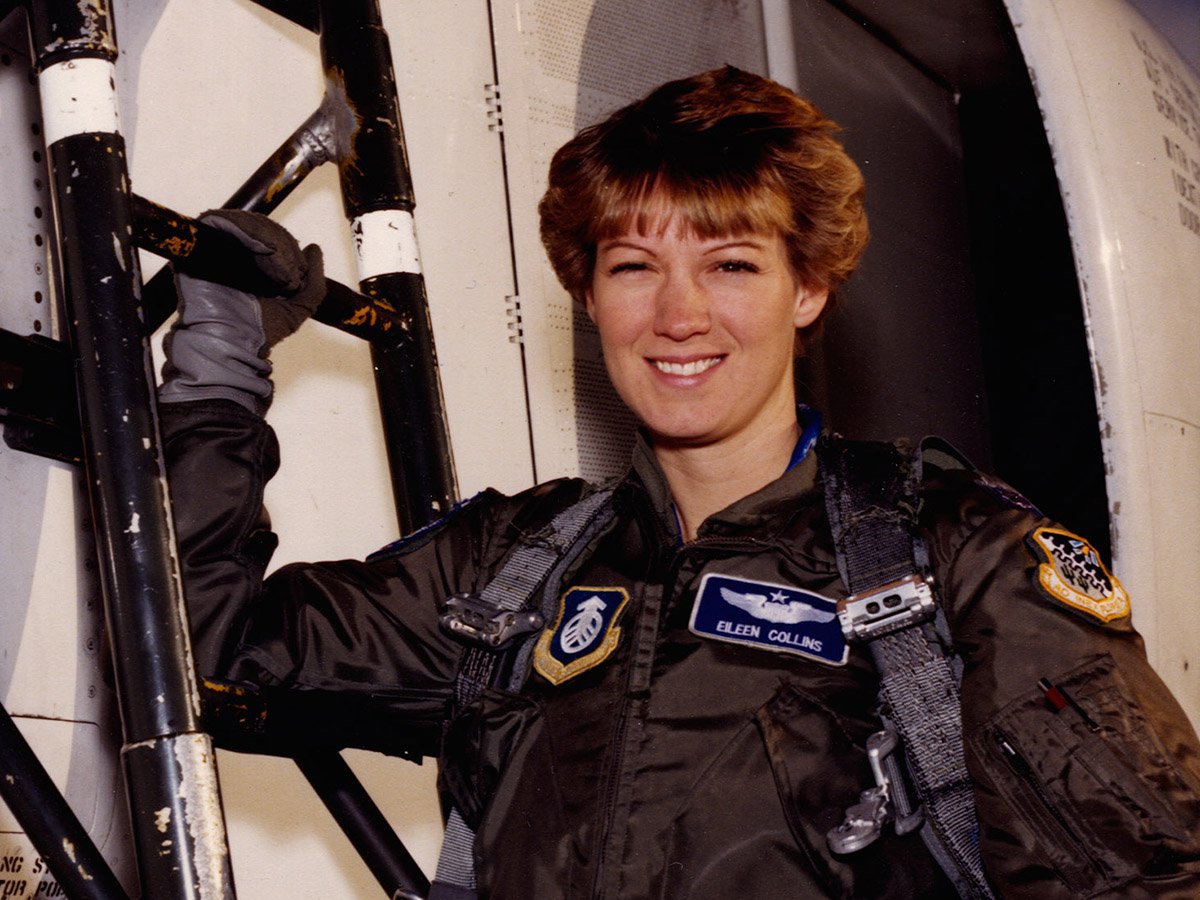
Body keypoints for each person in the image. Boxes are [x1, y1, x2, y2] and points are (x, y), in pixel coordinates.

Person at [160, 66, 1200, 898]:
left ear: (810, 286)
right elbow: (203, 652)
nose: (679, 315)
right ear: (588, 293)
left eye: (733, 264)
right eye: (632, 267)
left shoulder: (961, 566)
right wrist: (217, 366)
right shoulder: (511, 575)